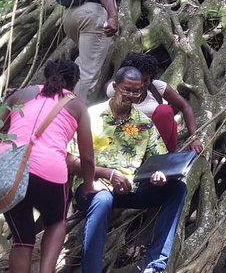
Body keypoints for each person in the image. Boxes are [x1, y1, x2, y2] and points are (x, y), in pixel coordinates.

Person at [67, 66, 187, 273]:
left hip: (129, 188)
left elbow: (158, 159)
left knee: (177, 189)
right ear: (115, 87)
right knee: (103, 199)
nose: (131, 95)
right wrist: (107, 174)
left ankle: (155, 265)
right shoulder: (91, 116)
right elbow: (69, 160)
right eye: (126, 90)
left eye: (136, 91)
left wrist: (160, 175)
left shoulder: (143, 123)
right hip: (93, 188)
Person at [0, 59, 96, 273]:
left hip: (9, 172)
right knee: (56, 222)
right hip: (49, 174)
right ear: (74, 82)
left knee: (22, 240)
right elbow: (88, 158)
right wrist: (89, 185)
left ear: (46, 75)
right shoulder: (78, 106)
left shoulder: (19, 95)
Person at [105, 52, 204, 153]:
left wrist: (194, 138)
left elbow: (185, 106)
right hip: (128, 137)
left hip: (161, 141)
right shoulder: (117, 89)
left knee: (164, 111)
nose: (142, 85)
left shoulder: (157, 87)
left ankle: (159, 156)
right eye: (138, 80)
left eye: (146, 80)